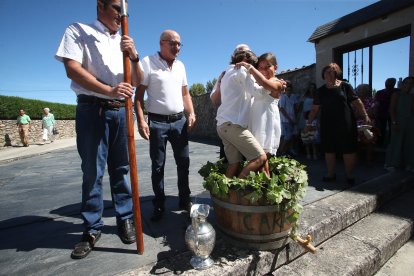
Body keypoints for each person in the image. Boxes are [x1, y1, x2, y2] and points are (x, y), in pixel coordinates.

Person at [55, 0, 143, 259]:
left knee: (122, 169)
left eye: (124, 10)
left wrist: (135, 56)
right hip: (93, 109)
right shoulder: (78, 30)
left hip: (121, 112)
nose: (122, 14)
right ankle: (92, 227)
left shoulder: (125, 40)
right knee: (92, 170)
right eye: (117, 8)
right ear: (101, 5)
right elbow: (72, 69)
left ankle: (125, 218)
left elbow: (136, 81)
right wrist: (108, 90)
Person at [134, 30, 196, 222]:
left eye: (179, 44)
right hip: (157, 122)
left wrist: (191, 112)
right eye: (173, 43)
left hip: (179, 122)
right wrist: (141, 120)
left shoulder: (181, 66)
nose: (177, 47)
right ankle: (159, 204)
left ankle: (184, 200)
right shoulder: (147, 62)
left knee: (183, 163)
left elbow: (185, 93)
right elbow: (138, 96)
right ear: (162, 42)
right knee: (158, 166)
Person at [215, 47, 284, 179]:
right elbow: (258, 91)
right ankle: (237, 188)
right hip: (238, 125)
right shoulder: (242, 72)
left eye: (267, 67)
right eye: (259, 67)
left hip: (231, 125)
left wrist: (279, 84)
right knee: (260, 159)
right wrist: (276, 83)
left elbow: (260, 90)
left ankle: (230, 191)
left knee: (238, 163)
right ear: (246, 62)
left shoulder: (230, 72)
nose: (261, 71)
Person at [306, 63, 370, 185]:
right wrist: (309, 123)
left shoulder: (345, 86)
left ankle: (350, 174)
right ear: (323, 74)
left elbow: (357, 102)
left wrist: (365, 115)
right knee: (329, 148)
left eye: (332, 72)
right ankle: (331, 174)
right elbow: (315, 109)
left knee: (348, 148)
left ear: (337, 73)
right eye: (327, 72)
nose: (329, 74)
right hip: (327, 123)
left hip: (346, 122)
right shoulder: (320, 91)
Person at [385, 76, 414, 172]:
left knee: (409, 143)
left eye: (411, 84)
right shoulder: (396, 94)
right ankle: (391, 163)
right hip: (398, 120)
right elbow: (392, 109)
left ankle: (409, 164)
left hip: (410, 121)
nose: (409, 85)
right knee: (396, 142)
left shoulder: (412, 97)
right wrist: (394, 121)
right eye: (407, 83)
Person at [374, 78, 399, 147]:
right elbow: (376, 103)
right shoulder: (380, 92)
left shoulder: (398, 91)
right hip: (381, 113)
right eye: (387, 82)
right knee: (381, 129)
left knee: (393, 130)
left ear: (394, 84)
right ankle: (380, 143)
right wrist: (376, 114)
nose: (388, 84)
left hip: (394, 114)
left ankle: (392, 144)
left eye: (390, 83)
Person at [278, 80, 298, 156]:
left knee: (291, 136)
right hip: (285, 120)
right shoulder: (282, 97)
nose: (288, 89)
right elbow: (282, 109)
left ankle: (286, 151)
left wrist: (295, 118)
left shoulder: (293, 96)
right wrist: (289, 119)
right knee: (287, 137)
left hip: (292, 119)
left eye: (289, 88)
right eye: (287, 88)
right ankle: (281, 152)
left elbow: (295, 107)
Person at [300, 83, 319, 160]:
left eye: (313, 87)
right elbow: (300, 106)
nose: (312, 89)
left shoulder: (317, 97)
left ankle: (314, 154)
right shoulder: (305, 97)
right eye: (310, 87)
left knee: (313, 137)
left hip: (314, 118)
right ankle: (308, 154)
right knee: (306, 137)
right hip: (305, 118)